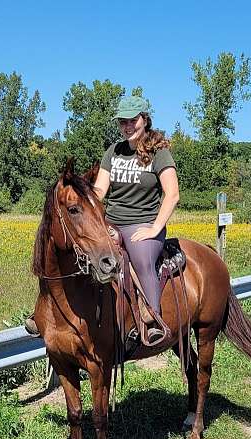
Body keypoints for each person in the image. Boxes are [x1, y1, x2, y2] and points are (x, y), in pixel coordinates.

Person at [94, 95, 180, 342]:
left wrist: (154, 229)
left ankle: (153, 320)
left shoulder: (159, 152)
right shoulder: (114, 151)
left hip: (143, 224)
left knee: (142, 260)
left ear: (145, 120)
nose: (127, 126)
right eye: (123, 121)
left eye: (133, 120)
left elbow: (172, 195)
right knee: (82, 254)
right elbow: (100, 191)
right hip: (111, 223)